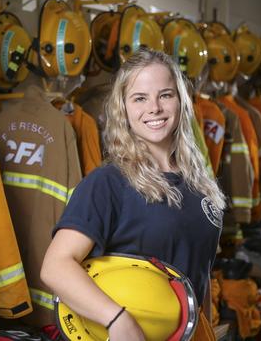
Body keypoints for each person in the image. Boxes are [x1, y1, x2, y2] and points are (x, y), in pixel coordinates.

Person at [41, 49, 226, 340]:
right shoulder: (108, 183)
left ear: (181, 101)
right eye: (139, 98)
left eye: (165, 95)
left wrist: (207, 330)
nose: (154, 108)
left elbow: (197, 277)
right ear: (123, 110)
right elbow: (55, 267)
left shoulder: (202, 185)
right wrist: (116, 320)